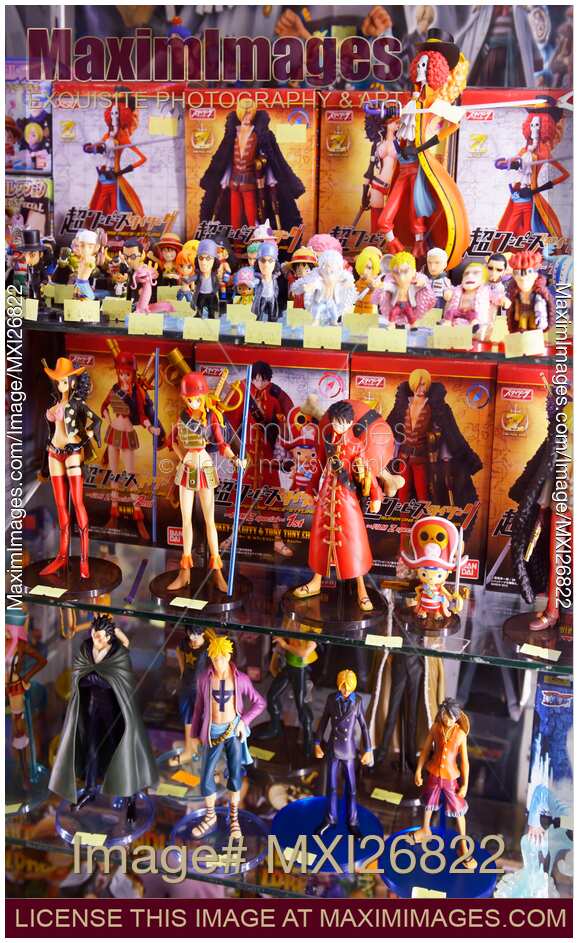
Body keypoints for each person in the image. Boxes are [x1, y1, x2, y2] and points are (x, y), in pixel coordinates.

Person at [49, 615, 158, 825]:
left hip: (114, 712)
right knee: (91, 749)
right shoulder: (86, 648)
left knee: (122, 751)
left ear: (108, 637)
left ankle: (130, 797)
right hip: (91, 708)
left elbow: (113, 681)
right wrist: (95, 677)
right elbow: (79, 677)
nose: (94, 639)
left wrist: (94, 677)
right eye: (93, 634)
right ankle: (90, 789)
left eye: (99, 636)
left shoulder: (117, 654)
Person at [293, 400, 384, 612]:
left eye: (342, 422)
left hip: (347, 498)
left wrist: (376, 495)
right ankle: (316, 581)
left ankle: (361, 589)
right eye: (335, 421)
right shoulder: (327, 440)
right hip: (326, 495)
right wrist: (310, 488)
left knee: (354, 542)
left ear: (350, 423)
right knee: (322, 538)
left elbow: (367, 471)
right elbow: (319, 466)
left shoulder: (356, 445)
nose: (338, 426)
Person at [167, 372, 245, 594]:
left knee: (210, 521)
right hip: (187, 468)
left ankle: (217, 571)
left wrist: (235, 459)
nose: (193, 402)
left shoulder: (211, 418)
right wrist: (183, 457)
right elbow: (171, 441)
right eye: (189, 399)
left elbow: (221, 444)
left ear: (203, 396)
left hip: (204, 466)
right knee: (186, 520)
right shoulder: (182, 417)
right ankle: (185, 571)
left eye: (196, 398)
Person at [188, 635, 265, 839]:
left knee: (235, 774)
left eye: (221, 657)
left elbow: (259, 703)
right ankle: (210, 815)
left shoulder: (241, 679)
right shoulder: (204, 678)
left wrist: (243, 721)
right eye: (214, 658)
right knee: (206, 774)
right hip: (212, 732)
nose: (218, 662)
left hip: (233, 732)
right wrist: (194, 734)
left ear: (229, 656)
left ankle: (234, 817)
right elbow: (198, 708)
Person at [199, 98, 305, 230]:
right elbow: (224, 157)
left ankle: (254, 238)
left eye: (249, 114)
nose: (246, 117)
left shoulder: (261, 135)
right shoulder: (232, 134)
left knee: (252, 217)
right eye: (244, 114)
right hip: (233, 181)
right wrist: (222, 178)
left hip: (250, 182)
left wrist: (264, 167)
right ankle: (235, 239)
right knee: (234, 218)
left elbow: (274, 158)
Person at [40, 358, 101, 580]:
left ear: (73, 382)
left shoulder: (77, 404)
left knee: (77, 503)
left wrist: (88, 437)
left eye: (64, 381)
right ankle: (62, 555)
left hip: (73, 452)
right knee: (60, 505)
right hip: (53, 453)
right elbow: (49, 433)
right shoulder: (55, 405)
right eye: (58, 381)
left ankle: (84, 559)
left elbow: (97, 421)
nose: (61, 385)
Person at [386, 368, 482, 506]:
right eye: (418, 385)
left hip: (421, 458)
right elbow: (387, 428)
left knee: (424, 496)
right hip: (403, 457)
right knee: (402, 494)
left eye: (423, 385)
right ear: (412, 385)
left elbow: (453, 433)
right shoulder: (402, 405)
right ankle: (402, 520)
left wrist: (468, 459)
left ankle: (424, 519)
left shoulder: (437, 408)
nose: (420, 389)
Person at [413, 698, 475, 869]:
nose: (448, 720)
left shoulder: (460, 734)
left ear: (457, 717)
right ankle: (425, 829)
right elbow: (425, 750)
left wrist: (465, 784)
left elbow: (465, 762)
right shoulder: (435, 728)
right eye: (445, 716)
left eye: (451, 717)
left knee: (458, 809)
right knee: (428, 803)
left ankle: (463, 844)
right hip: (433, 773)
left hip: (450, 777)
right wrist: (418, 770)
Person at [314, 669, 373, 839]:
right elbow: (323, 721)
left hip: (348, 750)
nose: (345, 690)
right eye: (342, 687)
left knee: (352, 789)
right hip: (333, 748)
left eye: (348, 687)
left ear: (353, 687)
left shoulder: (357, 701)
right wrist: (317, 743)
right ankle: (330, 818)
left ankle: (353, 822)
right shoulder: (331, 699)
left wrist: (368, 750)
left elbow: (364, 727)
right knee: (331, 787)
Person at [169, 629, 210, 768]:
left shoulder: (208, 647)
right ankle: (189, 749)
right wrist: (182, 669)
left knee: (203, 718)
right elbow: (178, 650)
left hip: (202, 689)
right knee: (186, 715)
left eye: (195, 634)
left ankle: (206, 754)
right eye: (189, 633)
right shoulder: (185, 642)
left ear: (202, 633)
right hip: (186, 685)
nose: (192, 637)